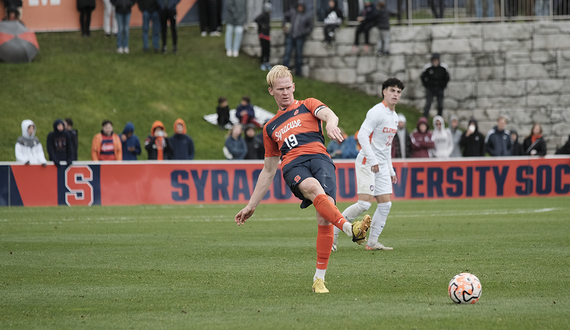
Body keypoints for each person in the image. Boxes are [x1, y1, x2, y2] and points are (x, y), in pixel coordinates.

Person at [234, 65, 371, 294]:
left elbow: (329, 114)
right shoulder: (270, 127)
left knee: (324, 216)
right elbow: (268, 171)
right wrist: (251, 204)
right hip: (293, 165)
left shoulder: (307, 104)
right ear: (271, 91)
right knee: (313, 188)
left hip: (320, 158)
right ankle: (350, 229)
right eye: (280, 89)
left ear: (294, 86)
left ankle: (319, 279)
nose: (286, 92)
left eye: (288, 87)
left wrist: (331, 124)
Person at [333, 78, 405, 252]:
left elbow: (387, 146)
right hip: (367, 161)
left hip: (381, 165)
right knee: (365, 204)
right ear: (384, 92)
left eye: (398, 92)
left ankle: (372, 243)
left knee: (385, 204)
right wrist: (373, 160)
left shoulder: (394, 117)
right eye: (392, 90)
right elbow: (363, 136)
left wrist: (390, 169)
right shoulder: (376, 112)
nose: (395, 94)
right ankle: (333, 232)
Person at [282, 0, 313, 77]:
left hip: (300, 38)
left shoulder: (307, 16)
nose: (300, 8)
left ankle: (298, 73)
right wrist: (284, 25)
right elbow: (285, 17)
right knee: (287, 53)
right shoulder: (292, 13)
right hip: (291, 36)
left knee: (298, 55)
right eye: (299, 6)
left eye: (301, 6)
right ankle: (283, 72)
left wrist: (304, 32)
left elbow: (310, 27)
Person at [421, 53, 450, 118]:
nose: (435, 61)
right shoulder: (428, 67)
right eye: (434, 60)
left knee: (440, 105)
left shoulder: (443, 67)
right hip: (430, 89)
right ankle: (425, 118)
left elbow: (447, 77)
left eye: (437, 60)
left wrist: (443, 85)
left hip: (440, 89)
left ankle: (439, 119)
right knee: (428, 104)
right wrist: (427, 85)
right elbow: (422, 77)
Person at [255, 2, 272, 70]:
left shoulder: (268, 15)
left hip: (267, 35)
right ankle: (262, 63)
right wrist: (262, 25)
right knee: (264, 49)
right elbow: (256, 20)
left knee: (268, 49)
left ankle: (267, 62)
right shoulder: (263, 15)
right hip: (263, 35)